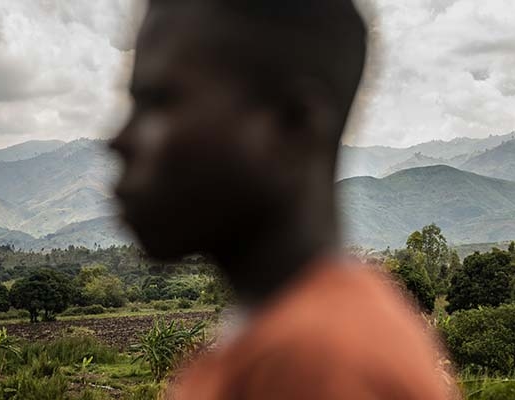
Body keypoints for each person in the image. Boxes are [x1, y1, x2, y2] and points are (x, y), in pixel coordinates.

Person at [110, 0, 460, 398]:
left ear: (293, 124)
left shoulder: (316, 363)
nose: (117, 141)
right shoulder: (286, 338)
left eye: (159, 102)